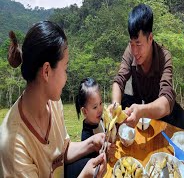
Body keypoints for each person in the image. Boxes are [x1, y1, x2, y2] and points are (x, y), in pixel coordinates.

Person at [0, 21, 106, 178]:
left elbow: (60, 153)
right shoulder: (14, 145)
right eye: (65, 69)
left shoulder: (54, 103)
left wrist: (92, 143)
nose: (66, 77)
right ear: (47, 71)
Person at [111, 3, 184, 130]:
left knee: (181, 118)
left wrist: (141, 110)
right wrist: (115, 106)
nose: (134, 51)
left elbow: (166, 101)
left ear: (150, 38)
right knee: (122, 101)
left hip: (157, 107)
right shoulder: (130, 50)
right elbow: (119, 80)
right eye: (131, 44)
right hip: (138, 102)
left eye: (138, 44)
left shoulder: (164, 56)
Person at [65, 77, 116, 177]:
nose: (100, 109)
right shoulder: (86, 135)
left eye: (101, 103)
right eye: (95, 107)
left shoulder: (101, 120)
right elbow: (93, 163)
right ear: (84, 111)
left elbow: (108, 136)